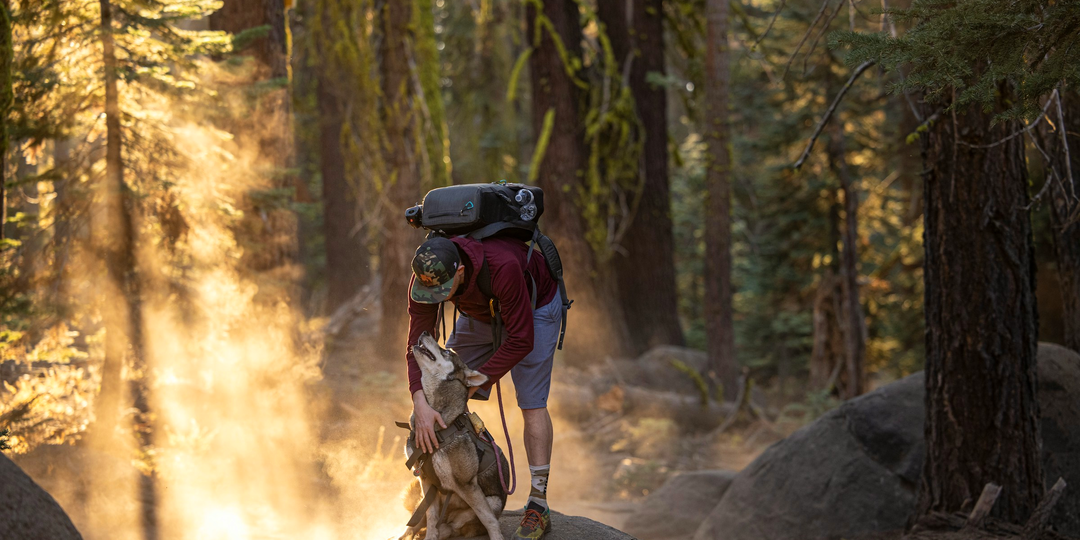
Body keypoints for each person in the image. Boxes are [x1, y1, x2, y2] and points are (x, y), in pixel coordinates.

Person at [406, 234, 558, 539]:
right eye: (430, 292)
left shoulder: (503, 266)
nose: (437, 297)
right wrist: (419, 402)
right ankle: (438, 491)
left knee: (531, 401)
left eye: (442, 291)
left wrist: (471, 384)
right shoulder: (424, 277)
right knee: (437, 392)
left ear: (460, 271)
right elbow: (417, 346)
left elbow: (521, 339)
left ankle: (538, 505)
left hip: (534, 308)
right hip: (480, 312)